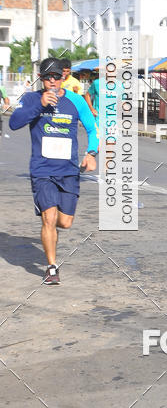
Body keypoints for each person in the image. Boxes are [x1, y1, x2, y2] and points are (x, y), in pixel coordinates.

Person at [9, 56, 98, 284]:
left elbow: (92, 129)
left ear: (63, 77)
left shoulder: (76, 101)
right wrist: (40, 105)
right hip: (42, 170)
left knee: (64, 222)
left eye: (56, 77)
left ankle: (51, 223)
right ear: (41, 79)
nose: (52, 81)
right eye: (47, 77)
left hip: (68, 170)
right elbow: (14, 123)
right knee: (48, 218)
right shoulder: (31, 99)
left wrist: (91, 153)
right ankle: (51, 268)